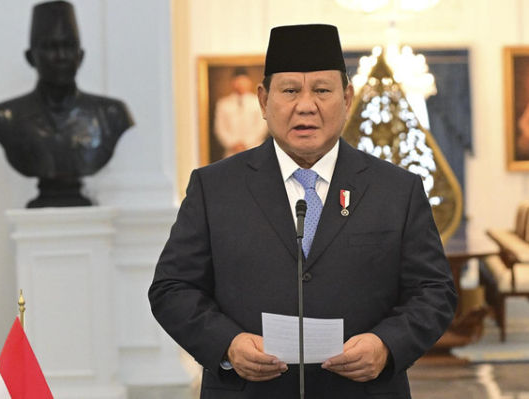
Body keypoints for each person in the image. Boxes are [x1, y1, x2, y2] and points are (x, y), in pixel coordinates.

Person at [149, 24, 456, 398]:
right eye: (290, 90)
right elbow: (172, 288)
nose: (306, 105)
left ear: (347, 97)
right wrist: (228, 345)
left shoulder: (396, 190)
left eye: (322, 91)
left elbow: (434, 290)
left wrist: (386, 345)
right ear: (264, 100)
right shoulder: (214, 188)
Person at [0, 1, 133, 207]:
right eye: (51, 47)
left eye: (69, 46)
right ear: (30, 57)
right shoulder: (3, 117)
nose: (61, 57)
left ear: (81, 56)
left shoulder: (111, 115)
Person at [213, 67, 269, 158]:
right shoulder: (223, 104)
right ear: (232, 83)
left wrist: (246, 143)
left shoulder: (258, 102)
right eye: (237, 81)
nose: (240, 84)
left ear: (249, 82)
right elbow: (220, 128)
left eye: (243, 81)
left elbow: (262, 126)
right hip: (231, 152)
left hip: (254, 149)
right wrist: (233, 144)